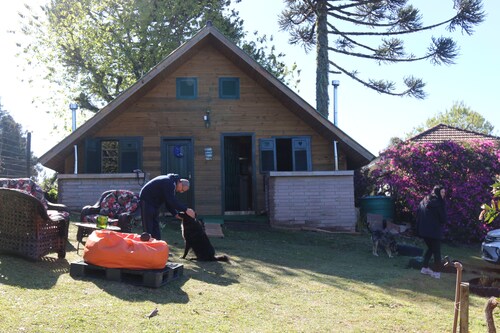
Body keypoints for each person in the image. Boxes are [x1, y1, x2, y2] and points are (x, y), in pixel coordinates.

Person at [139, 173, 195, 240]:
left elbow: (168, 202)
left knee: (155, 226)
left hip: (155, 204)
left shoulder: (171, 183)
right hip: (146, 200)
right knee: (148, 228)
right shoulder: (169, 182)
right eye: (182, 189)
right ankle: (147, 247)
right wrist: (186, 209)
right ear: (180, 182)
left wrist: (175, 214)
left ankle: (157, 245)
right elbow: (171, 200)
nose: (181, 191)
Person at [416, 185, 447, 279]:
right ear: (437, 192)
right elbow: (443, 219)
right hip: (434, 231)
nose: (443, 194)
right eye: (442, 192)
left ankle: (424, 268)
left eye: (444, 192)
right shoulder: (439, 203)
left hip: (423, 231)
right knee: (437, 251)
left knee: (431, 248)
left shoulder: (424, 201)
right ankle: (437, 272)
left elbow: (418, 214)